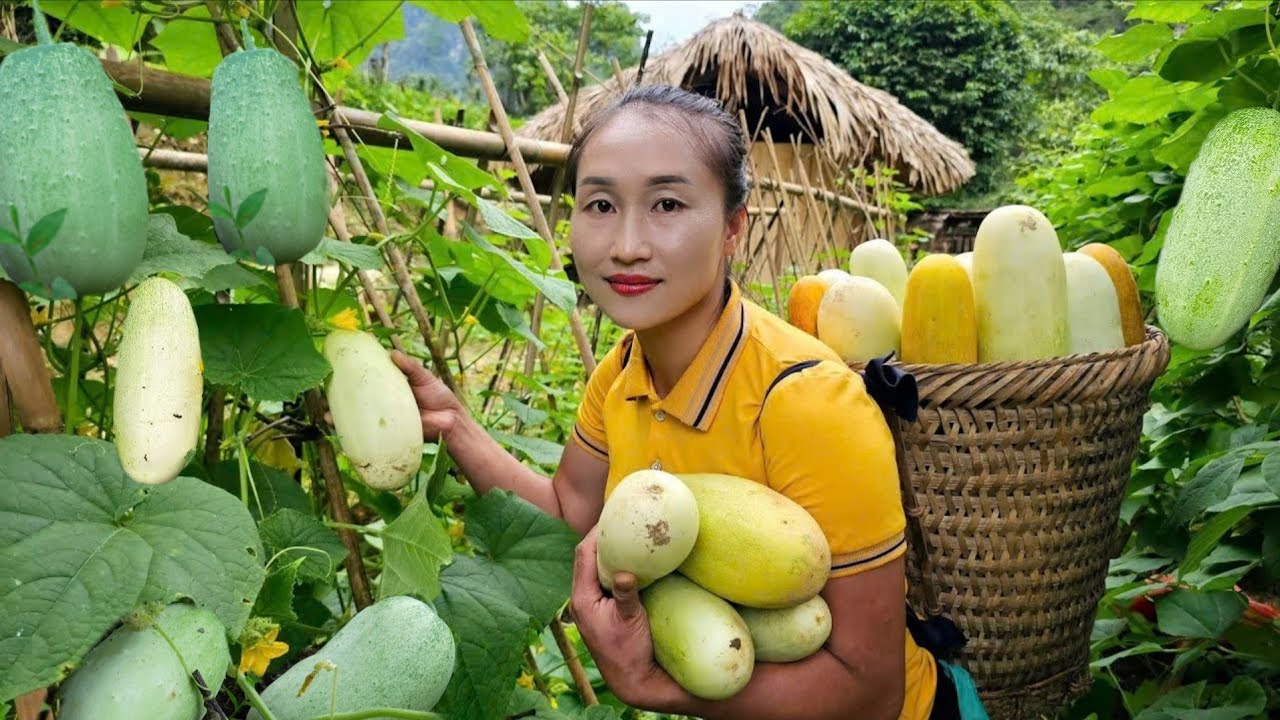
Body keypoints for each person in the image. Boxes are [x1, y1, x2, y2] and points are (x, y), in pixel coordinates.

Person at [390, 84, 981, 720]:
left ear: (733, 227)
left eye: (667, 204)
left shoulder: (808, 402)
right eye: (600, 205)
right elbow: (569, 518)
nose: (626, 244)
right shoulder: (619, 374)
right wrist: (454, 424)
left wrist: (651, 685)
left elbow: (872, 692)